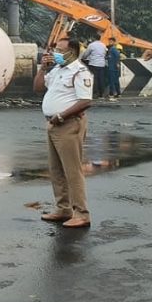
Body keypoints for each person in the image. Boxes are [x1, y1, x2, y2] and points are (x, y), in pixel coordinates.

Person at [34, 38, 93, 229]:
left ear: (72, 52)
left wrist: (61, 116)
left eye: (60, 50)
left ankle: (82, 213)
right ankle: (63, 208)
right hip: (53, 123)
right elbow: (37, 89)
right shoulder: (58, 70)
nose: (55, 53)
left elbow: (85, 101)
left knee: (72, 171)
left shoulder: (80, 72)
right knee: (56, 169)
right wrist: (42, 68)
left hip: (68, 124)